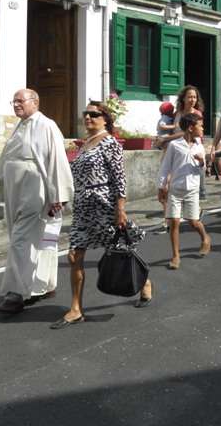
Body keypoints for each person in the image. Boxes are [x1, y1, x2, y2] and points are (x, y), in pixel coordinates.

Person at [51, 102, 148, 328]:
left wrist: (120, 208)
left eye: (94, 114)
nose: (88, 117)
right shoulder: (84, 144)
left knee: (120, 251)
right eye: (86, 114)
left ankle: (144, 282)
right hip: (83, 207)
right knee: (74, 256)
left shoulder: (110, 142)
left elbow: (119, 178)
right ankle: (76, 309)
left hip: (104, 204)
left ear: (105, 119)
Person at [0, 89, 73, 314]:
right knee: (30, 239)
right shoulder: (19, 127)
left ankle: (16, 294)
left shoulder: (47, 125)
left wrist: (58, 195)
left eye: (20, 101)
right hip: (15, 188)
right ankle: (43, 284)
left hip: (36, 188)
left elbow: (57, 160)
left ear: (35, 102)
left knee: (21, 240)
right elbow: (5, 159)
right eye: (14, 101)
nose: (16, 105)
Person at [158, 113, 212, 269]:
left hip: (192, 189)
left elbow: (202, 168)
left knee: (193, 221)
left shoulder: (199, 145)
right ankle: (175, 256)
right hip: (175, 188)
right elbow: (165, 167)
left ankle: (205, 238)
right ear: (190, 128)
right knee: (174, 221)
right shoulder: (175, 145)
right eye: (200, 126)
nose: (202, 128)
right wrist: (161, 185)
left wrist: (202, 162)